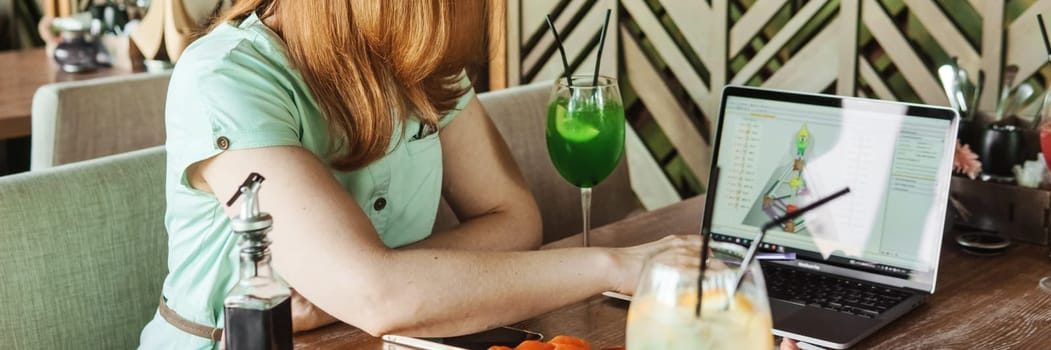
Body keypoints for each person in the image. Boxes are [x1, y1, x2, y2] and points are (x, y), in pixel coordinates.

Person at [137, 1, 700, 348]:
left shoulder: (412, 60)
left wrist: (356, 290)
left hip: (386, 336)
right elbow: (376, 296)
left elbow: (513, 218)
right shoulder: (226, 77)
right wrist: (618, 265)